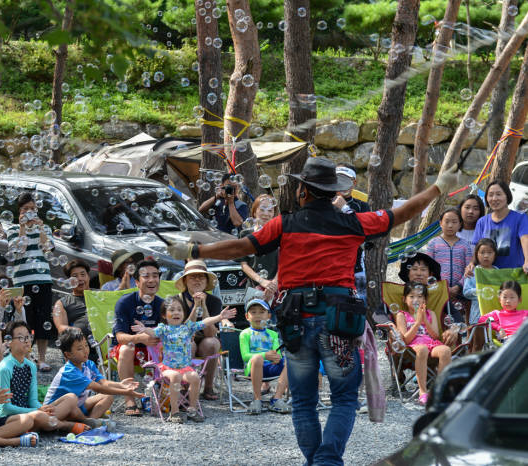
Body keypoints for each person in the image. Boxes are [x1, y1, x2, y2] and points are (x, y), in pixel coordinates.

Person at [168, 157, 460, 465]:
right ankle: (326, 461)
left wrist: (195, 251)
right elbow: (400, 214)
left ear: (303, 192)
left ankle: (318, 462)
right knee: (344, 398)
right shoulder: (352, 222)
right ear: (331, 191)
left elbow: (243, 247)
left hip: (295, 319)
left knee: (304, 401)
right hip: (340, 321)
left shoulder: (286, 223)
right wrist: (437, 188)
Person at [132, 296, 236, 423]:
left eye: (179, 310)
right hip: (167, 368)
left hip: (185, 368)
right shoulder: (164, 329)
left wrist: (219, 317)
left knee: (195, 377)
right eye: (172, 310)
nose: (176, 312)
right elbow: (153, 333)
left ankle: (192, 409)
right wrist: (144, 330)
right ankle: (174, 412)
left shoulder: (188, 328)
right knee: (175, 376)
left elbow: (205, 322)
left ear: (183, 314)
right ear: (164, 315)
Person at [0, 321, 85, 434]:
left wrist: (42, 409)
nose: (27, 341)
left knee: (71, 398)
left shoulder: (31, 366)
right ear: (8, 342)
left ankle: (47, 424)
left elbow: (33, 401)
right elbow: (5, 408)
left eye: (28, 336)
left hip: (30, 412)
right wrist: (37, 410)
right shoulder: (4, 368)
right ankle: (66, 425)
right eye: (21, 338)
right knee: (40, 415)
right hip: (9, 418)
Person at [45, 328, 142, 427]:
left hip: (76, 406)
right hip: (56, 410)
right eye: (79, 349)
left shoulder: (88, 364)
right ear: (68, 354)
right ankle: (81, 423)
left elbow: (104, 383)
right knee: (74, 407)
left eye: (86, 345)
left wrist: (120, 385)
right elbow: (98, 388)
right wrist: (126, 392)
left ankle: (90, 422)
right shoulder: (70, 371)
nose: (85, 351)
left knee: (107, 397)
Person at [6, 192, 55, 372]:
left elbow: (48, 249)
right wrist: (22, 228)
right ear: (19, 212)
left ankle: (42, 359)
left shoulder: (45, 228)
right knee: (24, 320)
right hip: (22, 281)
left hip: (43, 279)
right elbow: (19, 249)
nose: (29, 212)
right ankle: (25, 358)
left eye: (32, 209)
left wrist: (41, 229)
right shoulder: (12, 230)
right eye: (25, 209)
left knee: (43, 320)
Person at [110, 258, 163, 416]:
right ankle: (130, 399)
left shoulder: (163, 305)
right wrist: (140, 338)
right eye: (146, 276)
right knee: (127, 348)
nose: (152, 280)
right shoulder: (125, 302)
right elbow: (119, 337)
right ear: (137, 281)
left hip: (153, 350)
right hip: (127, 350)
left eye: (155, 275)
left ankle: (167, 394)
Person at [174, 259, 225, 401]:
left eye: (201, 276)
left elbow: (210, 333)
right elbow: (182, 333)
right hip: (183, 341)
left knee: (213, 343)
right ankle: (185, 387)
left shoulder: (214, 301)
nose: (197, 280)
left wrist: (204, 307)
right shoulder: (176, 301)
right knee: (188, 344)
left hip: (204, 340)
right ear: (185, 281)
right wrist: (196, 307)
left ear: (206, 281)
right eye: (192, 277)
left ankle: (208, 387)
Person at [395, 282, 451, 405]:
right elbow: (406, 339)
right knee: (422, 349)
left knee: (446, 350)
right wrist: (417, 322)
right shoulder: (402, 315)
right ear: (404, 299)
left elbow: (435, 336)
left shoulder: (430, 314)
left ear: (425, 300)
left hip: (431, 344)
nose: (416, 300)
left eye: (420, 296)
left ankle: (439, 390)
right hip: (412, 346)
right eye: (412, 296)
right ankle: (422, 391)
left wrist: (424, 320)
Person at [397, 252, 459, 348]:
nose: (419, 273)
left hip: (432, 344)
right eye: (414, 269)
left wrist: (453, 329)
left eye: (423, 269)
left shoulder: (438, 293)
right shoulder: (398, 292)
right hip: (410, 344)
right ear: (407, 273)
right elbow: (378, 313)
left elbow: (455, 313)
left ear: (430, 274)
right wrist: (391, 326)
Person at [239, 299, 290, 415]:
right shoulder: (245, 334)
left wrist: (277, 357)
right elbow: (245, 356)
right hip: (253, 367)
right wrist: (264, 355)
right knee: (257, 358)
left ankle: (277, 398)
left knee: (289, 360)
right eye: (253, 312)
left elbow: (277, 352)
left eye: (262, 312)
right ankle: (257, 399)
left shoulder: (273, 334)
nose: (258, 316)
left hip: (271, 367)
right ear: (247, 316)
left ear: (268, 316)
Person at [425, 208, 472, 322]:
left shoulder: (465, 245)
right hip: (438, 291)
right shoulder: (433, 244)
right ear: (440, 223)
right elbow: (428, 269)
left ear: (460, 224)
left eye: (454, 222)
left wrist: (458, 287)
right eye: (447, 221)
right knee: (439, 323)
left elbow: (470, 270)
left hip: (459, 293)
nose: (450, 225)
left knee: (458, 324)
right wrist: (440, 286)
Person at [333, 164, 371, 301]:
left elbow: (364, 232)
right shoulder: (323, 204)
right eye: (338, 179)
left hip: (356, 267)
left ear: (354, 183)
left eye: (346, 180)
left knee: (357, 307)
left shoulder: (362, 206)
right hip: (329, 267)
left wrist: (344, 208)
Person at [472, 180, 528, 271]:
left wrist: (527, 261)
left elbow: (525, 239)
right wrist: (471, 264)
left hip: (513, 275)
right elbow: (476, 249)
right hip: (487, 276)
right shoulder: (482, 222)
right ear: (486, 199)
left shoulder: (520, 218)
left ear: (507, 196)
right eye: (490, 195)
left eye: (498, 194)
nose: (494, 198)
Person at [239, 194, 278, 301]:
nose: (266, 214)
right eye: (262, 209)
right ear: (254, 211)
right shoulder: (245, 234)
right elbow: (244, 264)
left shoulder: (280, 234)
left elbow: (285, 262)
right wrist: (262, 281)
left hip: (277, 288)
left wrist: (273, 284)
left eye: (270, 210)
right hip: (253, 288)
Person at [52, 259, 93, 342]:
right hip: (79, 346)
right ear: (69, 281)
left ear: (88, 277)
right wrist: (78, 331)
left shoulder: (101, 294)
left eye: (83, 274)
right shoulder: (62, 303)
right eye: (75, 276)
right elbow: (61, 328)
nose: (80, 278)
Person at [463, 238, 498, 325]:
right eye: (482, 253)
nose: (486, 256)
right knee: (479, 338)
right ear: (477, 254)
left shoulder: (498, 271)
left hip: (496, 317)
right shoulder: (473, 271)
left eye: (489, 252)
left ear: (495, 254)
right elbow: (466, 292)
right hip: (478, 317)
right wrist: (482, 291)